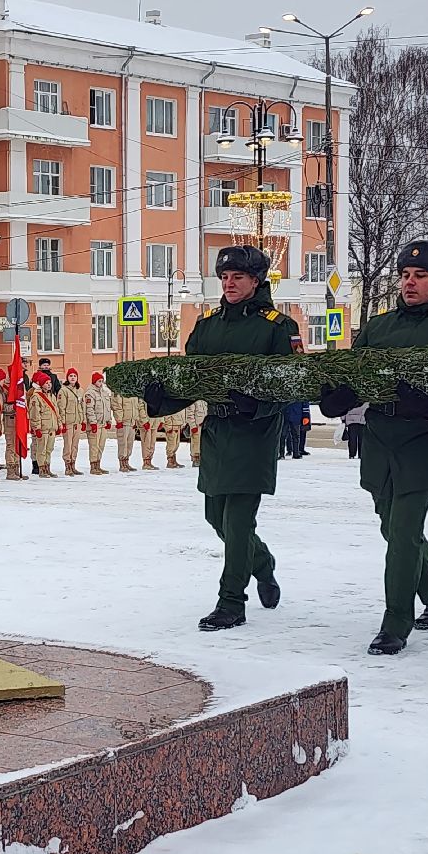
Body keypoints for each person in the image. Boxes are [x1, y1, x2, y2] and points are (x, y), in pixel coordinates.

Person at [320, 239, 428, 655]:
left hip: (426, 438)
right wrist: (341, 397)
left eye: (420, 276)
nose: (409, 283)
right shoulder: (380, 325)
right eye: (405, 276)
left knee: (405, 530)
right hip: (380, 437)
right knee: (391, 526)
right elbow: (354, 372)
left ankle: (396, 623)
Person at [144, 245, 298, 631]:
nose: (229, 284)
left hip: (255, 433)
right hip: (217, 431)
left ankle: (231, 602)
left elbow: (292, 383)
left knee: (239, 521)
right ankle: (262, 563)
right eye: (225, 278)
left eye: (238, 278)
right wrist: (161, 401)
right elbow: (192, 381)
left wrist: (256, 406)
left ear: (256, 281)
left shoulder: (278, 327)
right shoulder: (208, 325)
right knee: (217, 518)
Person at [28, 371, 61, 478]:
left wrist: (59, 425)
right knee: (41, 449)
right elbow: (34, 414)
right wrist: (36, 428)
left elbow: (56, 412)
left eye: (50, 382)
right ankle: (41, 468)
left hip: (51, 427)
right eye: (46, 383)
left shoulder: (52, 396)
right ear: (41, 384)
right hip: (43, 427)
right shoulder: (36, 397)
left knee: (49, 449)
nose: (49, 384)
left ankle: (47, 467)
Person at [84, 372, 114, 475]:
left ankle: (98, 465)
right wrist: (92, 423)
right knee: (94, 446)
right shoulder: (90, 393)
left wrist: (109, 420)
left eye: (101, 381)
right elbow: (89, 409)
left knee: (101, 446)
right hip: (95, 424)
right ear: (94, 381)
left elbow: (107, 408)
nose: (100, 383)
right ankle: (93, 466)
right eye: (98, 381)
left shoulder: (104, 393)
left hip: (103, 424)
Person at [57, 368, 86, 475]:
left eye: (74, 376)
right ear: (67, 378)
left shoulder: (80, 390)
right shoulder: (63, 391)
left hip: (77, 422)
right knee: (68, 445)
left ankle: (73, 464)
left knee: (75, 445)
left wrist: (83, 420)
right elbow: (61, 407)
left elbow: (82, 406)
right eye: (70, 376)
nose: (73, 378)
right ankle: (67, 465)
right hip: (68, 422)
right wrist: (63, 422)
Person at [111, 386, 141, 473]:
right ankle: (122, 463)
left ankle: (127, 461)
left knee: (129, 443)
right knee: (122, 443)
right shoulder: (119, 390)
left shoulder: (133, 391)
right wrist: (119, 420)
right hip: (123, 422)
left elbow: (136, 407)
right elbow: (117, 406)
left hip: (131, 422)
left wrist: (136, 419)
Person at [187, 400, 207, 467]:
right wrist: (193, 426)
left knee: (203, 443)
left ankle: (202, 458)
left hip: (204, 425)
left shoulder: (204, 401)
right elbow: (189, 414)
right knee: (196, 443)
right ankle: (196, 459)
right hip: (197, 426)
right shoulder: (193, 401)